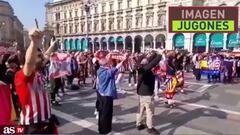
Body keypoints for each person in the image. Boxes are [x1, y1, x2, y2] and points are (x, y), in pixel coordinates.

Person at [15, 28, 59, 134]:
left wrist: (52, 46)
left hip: (47, 121)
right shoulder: (23, 75)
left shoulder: (39, 71)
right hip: (33, 126)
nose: (42, 57)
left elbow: (46, 56)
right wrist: (34, 42)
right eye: (39, 56)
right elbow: (29, 62)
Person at [96, 51, 128, 134]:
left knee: (102, 112)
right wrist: (122, 61)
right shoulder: (106, 72)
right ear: (105, 64)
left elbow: (108, 63)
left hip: (101, 94)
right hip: (106, 95)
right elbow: (117, 67)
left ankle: (102, 128)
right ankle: (105, 130)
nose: (109, 63)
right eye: (107, 63)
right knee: (106, 113)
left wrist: (109, 55)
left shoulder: (100, 70)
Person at [136, 49, 164, 135]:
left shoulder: (140, 67)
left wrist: (153, 53)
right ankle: (150, 127)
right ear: (145, 63)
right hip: (146, 93)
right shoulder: (145, 69)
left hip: (141, 92)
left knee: (141, 109)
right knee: (149, 111)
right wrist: (159, 55)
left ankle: (139, 124)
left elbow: (150, 61)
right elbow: (152, 63)